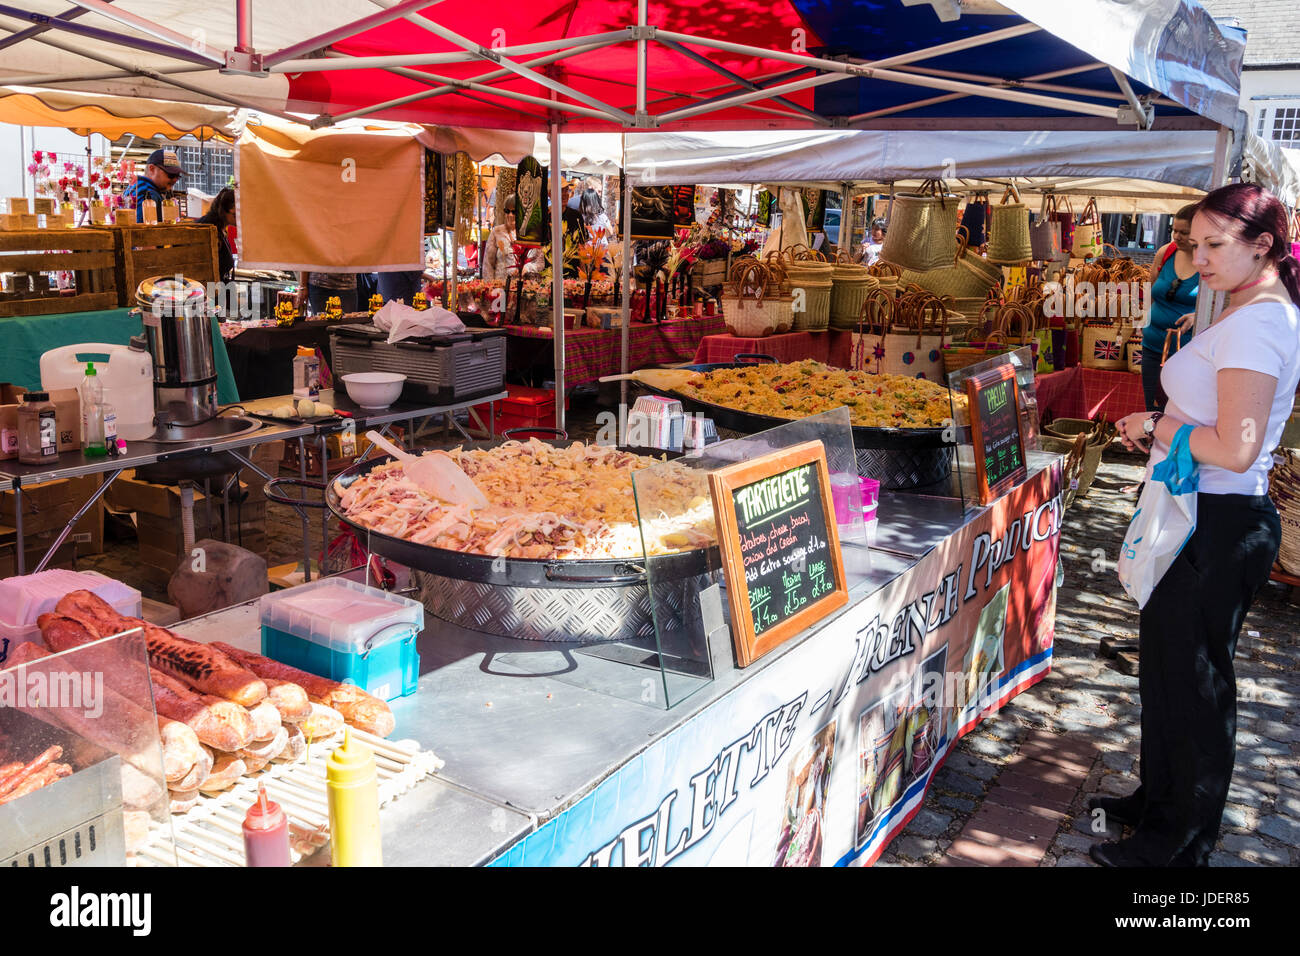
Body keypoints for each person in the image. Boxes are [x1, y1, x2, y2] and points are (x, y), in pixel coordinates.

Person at [1096, 183, 1300, 867]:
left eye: (1216, 245)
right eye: (1194, 243)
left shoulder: (1261, 323)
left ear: (1262, 245)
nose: (1199, 258)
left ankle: (1179, 843)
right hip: (1192, 511)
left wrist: (1158, 424)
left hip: (1217, 520)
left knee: (1194, 682)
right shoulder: (1247, 311)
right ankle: (1157, 800)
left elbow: (1237, 445)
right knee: (1164, 669)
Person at [1140, 204, 1200, 411]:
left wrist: (1197, 316)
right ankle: (1151, 443)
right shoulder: (1166, 252)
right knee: (1152, 407)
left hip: (1186, 351)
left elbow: (1220, 305)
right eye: (1174, 230)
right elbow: (1150, 291)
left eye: (1184, 232)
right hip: (1151, 346)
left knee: (1178, 408)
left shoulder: (1209, 261)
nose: (1177, 236)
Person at [483, 196, 539, 281]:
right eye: (507, 211)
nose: (510, 215)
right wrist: (490, 288)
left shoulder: (531, 233)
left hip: (526, 288)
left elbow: (540, 262)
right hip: (501, 288)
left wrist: (528, 268)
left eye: (514, 212)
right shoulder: (497, 232)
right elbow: (488, 264)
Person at [124, 148, 184, 223]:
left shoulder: (137, 186)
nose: (175, 179)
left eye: (177, 176)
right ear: (152, 169)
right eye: (171, 175)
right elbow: (143, 230)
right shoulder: (148, 194)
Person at [192, 187, 237, 282]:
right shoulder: (207, 229)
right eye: (235, 215)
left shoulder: (220, 227)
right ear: (223, 211)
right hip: (210, 289)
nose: (239, 219)